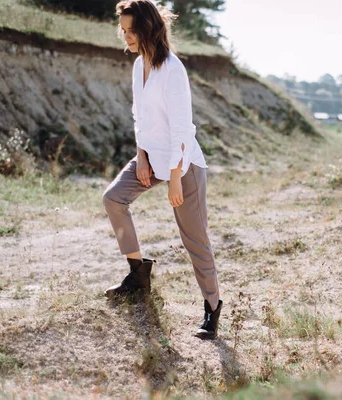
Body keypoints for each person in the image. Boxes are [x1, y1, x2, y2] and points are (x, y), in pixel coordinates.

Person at [102, 0, 222, 339]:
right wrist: (140, 156)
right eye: (122, 30)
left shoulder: (172, 69)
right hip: (150, 159)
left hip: (182, 164)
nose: (125, 36)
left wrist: (174, 179)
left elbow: (183, 130)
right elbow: (140, 118)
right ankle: (138, 275)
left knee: (194, 239)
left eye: (130, 30)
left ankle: (212, 308)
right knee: (113, 199)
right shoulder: (137, 66)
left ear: (148, 28)